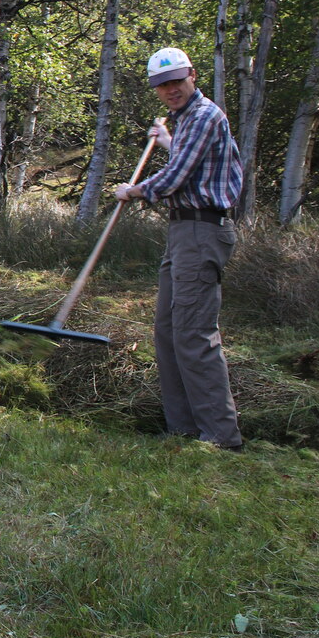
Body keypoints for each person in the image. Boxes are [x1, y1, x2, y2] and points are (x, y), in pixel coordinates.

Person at [114, 46, 244, 450]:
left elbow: (176, 177)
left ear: (192, 75)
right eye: (162, 85)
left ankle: (221, 436)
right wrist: (168, 139)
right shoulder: (186, 120)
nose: (171, 90)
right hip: (182, 232)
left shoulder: (204, 115)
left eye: (176, 81)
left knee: (193, 332)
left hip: (202, 232)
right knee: (168, 331)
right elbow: (194, 162)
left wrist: (134, 190)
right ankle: (183, 427)